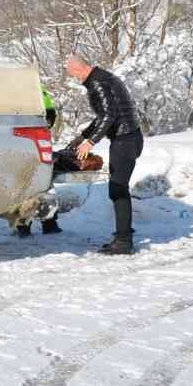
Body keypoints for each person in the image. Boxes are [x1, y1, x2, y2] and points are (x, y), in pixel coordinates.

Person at [66, 55, 143, 254]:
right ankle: (123, 237)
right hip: (128, 138)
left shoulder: (98, 83)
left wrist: (90, 143)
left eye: (74, 74)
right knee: (117, 189)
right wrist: (81, 137)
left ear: (80, 69)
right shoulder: (102, 79)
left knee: (118, 189)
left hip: (124, 140)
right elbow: (103, 116)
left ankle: (124, 242)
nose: (75, 79)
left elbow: (110, 115)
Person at [15, 83, 63, 237]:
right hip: (39, 142)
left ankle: (23, 226)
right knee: (44, 184)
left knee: (23, 185)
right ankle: (49, 223)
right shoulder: (41, 92)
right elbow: (51, 118)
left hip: (20, 144)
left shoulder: (14, 94)